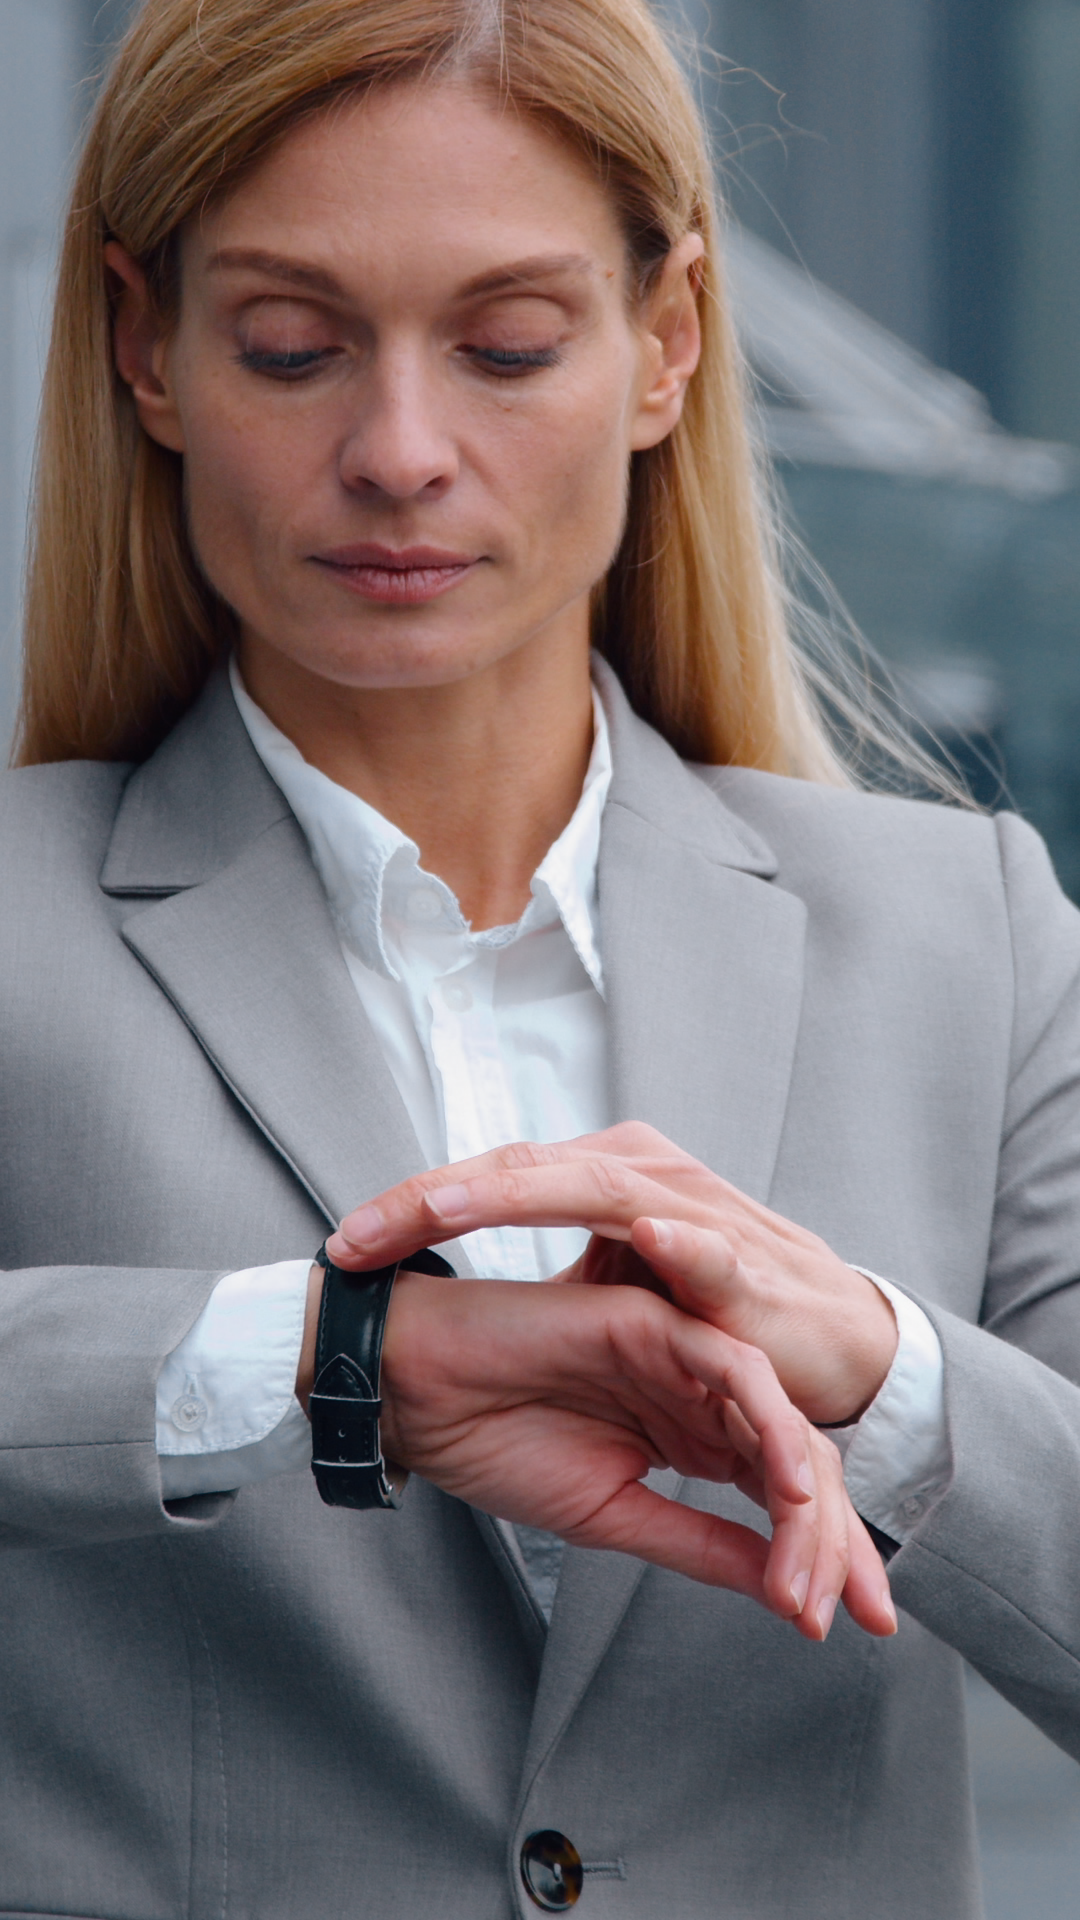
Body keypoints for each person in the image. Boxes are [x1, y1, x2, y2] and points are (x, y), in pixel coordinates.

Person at [3, 0, 1079, 1913]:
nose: (400, 452)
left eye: (506, 347)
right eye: (291, 347)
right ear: (142, 348)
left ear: (667, 342)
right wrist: (323, 1356)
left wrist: (888, 1377)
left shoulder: (965, 936)